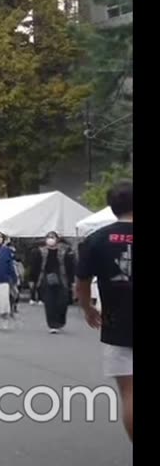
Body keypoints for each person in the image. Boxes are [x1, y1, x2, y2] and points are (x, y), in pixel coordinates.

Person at [76, 180, 132, 442]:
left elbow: (82, 282)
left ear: (111, 207)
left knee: (130, 393)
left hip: (118, 322)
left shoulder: (95, 240)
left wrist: (88, 308)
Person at [30, 231, 75, 333]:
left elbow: (71, 267)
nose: (51, 239)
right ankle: (52, 325)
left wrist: (72, 281)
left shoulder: (65, 251)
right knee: (50, 302)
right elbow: (35, 267)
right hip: (46, 279)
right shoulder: (39, 251)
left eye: (53, 237)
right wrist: (33, 280)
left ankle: (60, 321)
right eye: (49, 237)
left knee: (62, 302)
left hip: (62, 279)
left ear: (57, 239)